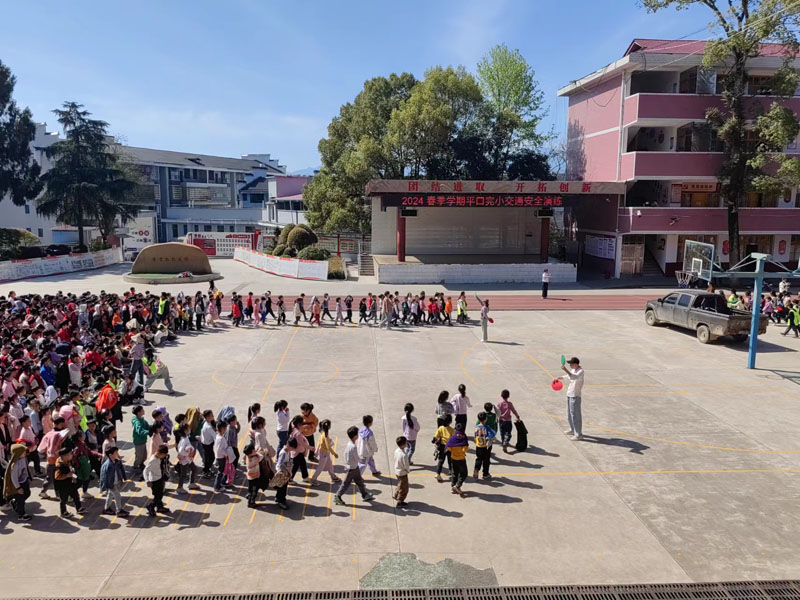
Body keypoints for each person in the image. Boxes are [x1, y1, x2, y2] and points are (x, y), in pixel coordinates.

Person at [333, 426, 375, 506]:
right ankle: (337, 496)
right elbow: (357, 458)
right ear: (355, 436)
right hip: (352, 468)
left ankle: (365, 495)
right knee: (346, 484)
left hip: (353, 467)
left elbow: (345, 454)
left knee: (359, 481)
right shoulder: (353, 447)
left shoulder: (349, 444)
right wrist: (361, 459)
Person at [559, 357, 585, 441]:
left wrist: (565, 369)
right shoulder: (573, 370)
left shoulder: (581, 371)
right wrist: (560, 377)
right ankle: (572, 429)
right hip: (570, 394)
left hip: (575, 395)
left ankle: (578, 434)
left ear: (576, 364)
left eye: (571, 364)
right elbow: (568, 376)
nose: (570, 365)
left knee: (575, 415)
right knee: (570, 413)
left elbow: (573, 377)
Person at [4, 442, 31, 521]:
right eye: (23, 452)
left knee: (27, 493)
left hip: (24, 481)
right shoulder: (15, 464)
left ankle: (14, 503)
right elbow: (14, 477)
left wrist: (28, 477)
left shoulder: (23, 459)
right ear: (18, 453)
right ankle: (21, 515)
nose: (25, 453)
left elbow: (25, 469)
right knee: (20, 500)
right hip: (17, 484)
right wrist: (18, 488)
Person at [54, 447, 84, 517]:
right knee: (63, 499)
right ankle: (63, 512)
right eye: (71, 453)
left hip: (70, 483)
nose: (72, 455)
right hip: (63, 485)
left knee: (76, 495)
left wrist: (72, 470)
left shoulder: (68, 461)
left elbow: (70, 466)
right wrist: (67, 475)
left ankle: (79, 508)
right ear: (65, 456)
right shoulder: (59, 465)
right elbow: (57, 476)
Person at [99, 446, 129, 516]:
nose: (117, 454)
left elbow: (121, 469)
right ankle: (119, 510)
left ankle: (106, 508)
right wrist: (103, 486)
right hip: (111, 484)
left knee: (110, 495)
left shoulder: (117, 461)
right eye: (116, 453)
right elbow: (103, 476)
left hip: (115, 482)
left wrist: (124, 478)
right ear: (110, 455)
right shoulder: (107, 465)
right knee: (117, 496)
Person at [143, 443, 171, 518]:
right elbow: (145, 471)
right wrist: (147, 481)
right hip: (155, 481)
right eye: (164, 455)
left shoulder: (158, 458)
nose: (164, 456)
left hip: (159, 478)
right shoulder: (153, 460)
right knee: (158, 496)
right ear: (159, 453)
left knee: (160, 494)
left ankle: (160, 507)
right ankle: (150, 506)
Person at [310, 419, 340, 484]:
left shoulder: (323, 432)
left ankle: (333, 477)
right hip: (324, 453)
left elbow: (319, 441)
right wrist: (334, 454)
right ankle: (313, 479)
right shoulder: (325, 436)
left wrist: (317, 450)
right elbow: (328, 447)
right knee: (320, 467)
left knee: (330, 465)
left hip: (325, 453)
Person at [446, 422, 469, 496]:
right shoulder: (463, 437)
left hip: (453, 458)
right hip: (461, 459)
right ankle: (457, 486)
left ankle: (453, 486)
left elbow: (448, 447)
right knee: (464, 473)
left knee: (455, 473)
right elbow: (465, 449)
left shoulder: (452, 437)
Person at [473, 412, 496, 480]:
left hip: (478, 446)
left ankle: (476, 469)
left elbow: (475, 436)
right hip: (486, 446)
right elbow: (493, 433)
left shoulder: (476, 428)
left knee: (479, 458)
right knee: (486, 460)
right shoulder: (487, 428)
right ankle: (485, 474)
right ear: (486, 419)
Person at [273, 438, 294, 510]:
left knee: (283, 487)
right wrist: (287, 471)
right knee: (282, 488)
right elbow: (280, 464)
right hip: (282, 473)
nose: (292, 450)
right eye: (292, 448)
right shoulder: (283, 453)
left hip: (285, 472)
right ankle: (280, 501)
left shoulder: (287, 451)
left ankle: (279, 498)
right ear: (288, 446)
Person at [432, 415, 454, 482]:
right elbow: (453, 439)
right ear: (450, 422)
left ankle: (438, 473)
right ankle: (450, 470)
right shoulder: (452, 430)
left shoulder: (441, 428)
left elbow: (435, 436)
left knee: (441, 460)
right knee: (450, 459)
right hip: (449, 447)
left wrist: (434, 441)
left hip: (442, 446)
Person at [213, 421, 233, 492]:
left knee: (221, 472)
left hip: (219, 457)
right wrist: (226, 454)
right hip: (221, 458)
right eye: (225, 428)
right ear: (222, 428)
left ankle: (219, 484)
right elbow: (220, 450)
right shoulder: (221, 438)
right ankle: (217, 486)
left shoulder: (218, 436)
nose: (226, 429)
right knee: (220, 472)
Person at [131, 405, 149, 478]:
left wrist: (151, 427)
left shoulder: (141, 419)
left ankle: (141, 464)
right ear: (138, 412)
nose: (143, 411)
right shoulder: (137, 422)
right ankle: (135, 467)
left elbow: (146, 425)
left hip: (143, 441)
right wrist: (148, 432)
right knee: (139, 456)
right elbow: (140, 431)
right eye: (142, 410)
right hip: (139, 442)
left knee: (144, 455)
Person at [393, 436, 410, 508]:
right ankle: (400, 501)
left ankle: (396, 494)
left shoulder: (397, 450)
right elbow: (406, 465)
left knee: (400, 484)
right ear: (403, 444)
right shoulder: (404, 455)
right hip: (402, 473)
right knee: (404, 488)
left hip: (397, 471)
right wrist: (408, 471)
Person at [243, 443, 262, 508]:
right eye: (253, 450)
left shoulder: (247, 456)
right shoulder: (254, 459)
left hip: (250, 476)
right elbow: (261, 456)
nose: (255, 450)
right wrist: (259, 452)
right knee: (254, 491)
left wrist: (255, 453)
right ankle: (251, 503)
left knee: (251, 489)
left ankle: (249, 496)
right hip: (254, 477)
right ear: (250, 453)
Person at [200, 409, 216, 478]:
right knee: (210, 458)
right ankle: (205, 471)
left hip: (207, 443)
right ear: (208, 417)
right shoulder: (208, 427)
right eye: (212, 415)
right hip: (207, 444)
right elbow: (216, 436)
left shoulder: (206, 422)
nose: (213, 416)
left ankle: (207, 470)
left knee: (208, 458)